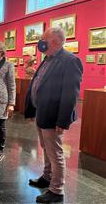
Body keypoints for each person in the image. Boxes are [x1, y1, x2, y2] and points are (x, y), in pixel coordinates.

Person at [25, 27, 83, 203]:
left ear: (56, 42)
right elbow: (39, 83)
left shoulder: (70, 60)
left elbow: (70, 93)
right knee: (45, 147)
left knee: (55, 152)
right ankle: (47, 177)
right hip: (42, 112)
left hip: (54, 116)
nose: (40, 42)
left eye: (44, 39)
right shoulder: (48, 58)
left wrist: (63, 120)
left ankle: (57, 190)